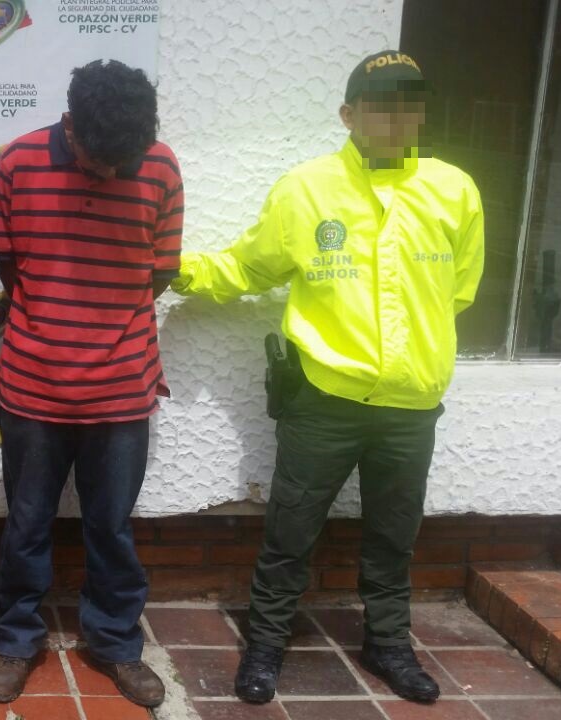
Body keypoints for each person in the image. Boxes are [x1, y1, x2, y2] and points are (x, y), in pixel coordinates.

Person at [172, 50, 484, 705]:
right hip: (323, 401)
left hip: (411, 405)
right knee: (291, 532)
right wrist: (175, 268)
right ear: (349, 114)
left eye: (410, 104)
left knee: (394, 537)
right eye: (381, 105)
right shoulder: (305, 190)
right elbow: (250, 266)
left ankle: (388, 643)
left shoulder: (455, 191)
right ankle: (265, 646)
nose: (397, 118)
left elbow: (456, 292)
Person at [0, 59, 181, 710]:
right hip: (32, 385)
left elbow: (161, 270)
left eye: (126, 161)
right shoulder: (17, 164)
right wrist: (57, 319)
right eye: (102, 161)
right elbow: (10, 263)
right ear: (71, 126)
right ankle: (16, 641)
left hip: (122, 388)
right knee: (27, 523)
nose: (115, 173)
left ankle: (117, 643)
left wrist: (105, 325)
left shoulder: (160, 166)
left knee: (111, 527)